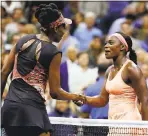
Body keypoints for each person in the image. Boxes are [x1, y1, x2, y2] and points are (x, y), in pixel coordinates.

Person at [1, 3, 85, 136]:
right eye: (63, 28)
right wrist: (75, 96)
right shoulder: (53, 52)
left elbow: (4, 72)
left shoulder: (23, 40)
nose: (65, 32)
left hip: (10, 109)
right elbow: (55, 92)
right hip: (32, 110)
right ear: (56, 28)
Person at [74, 32, 148, 121]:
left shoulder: (131, 69)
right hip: (113, 123)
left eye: (111, 43)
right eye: (106, 43)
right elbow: (102, 100)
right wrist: (84, 99)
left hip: (130, 123)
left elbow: (145, 102)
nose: (106, 46)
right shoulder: (109, 70)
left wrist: (146, 129)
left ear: (122, 47)